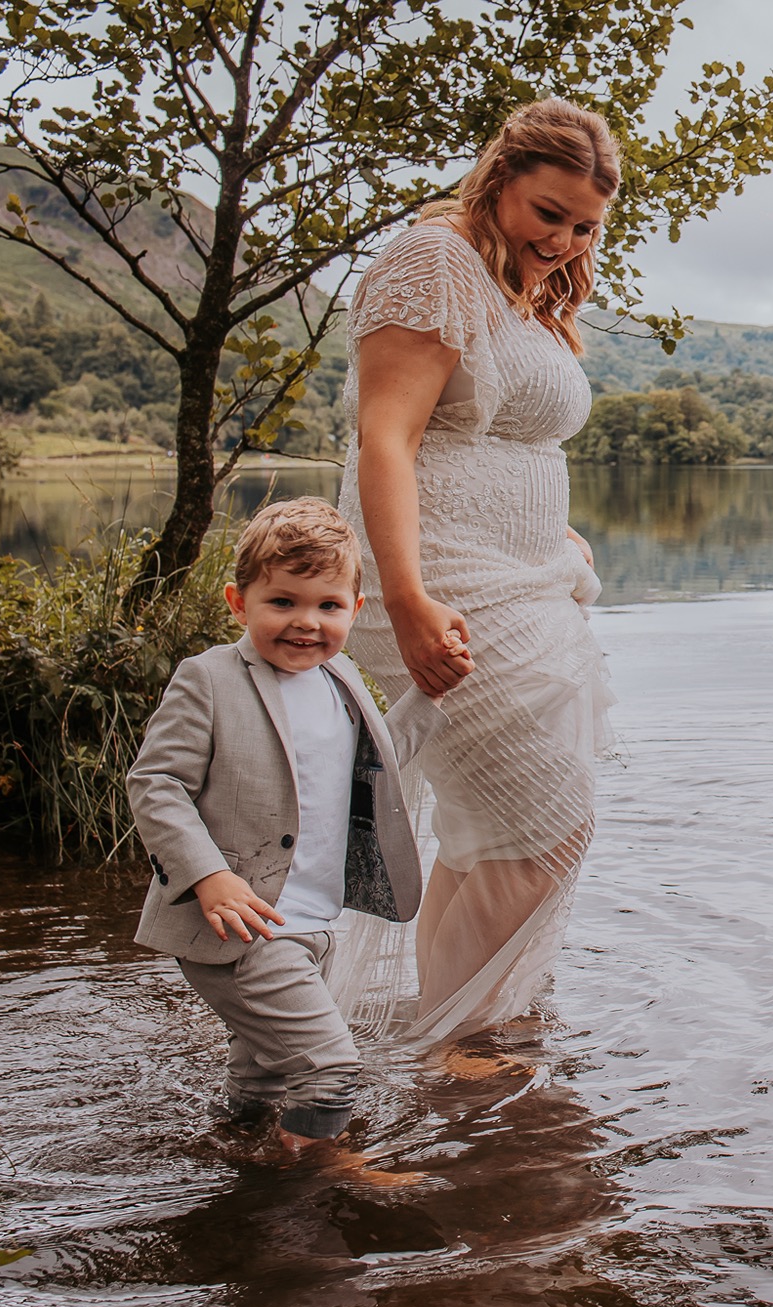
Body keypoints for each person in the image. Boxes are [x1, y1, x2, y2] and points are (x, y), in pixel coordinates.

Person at [335, 97, 617, 1046]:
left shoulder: (520, 288)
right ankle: (452, 1046)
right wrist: (407, 598)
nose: (564, 239)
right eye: (549, 213)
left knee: (489, 833)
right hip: (440, 576)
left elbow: (497, 435)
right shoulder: (434, 261)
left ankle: (447, 1033)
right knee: (549, 831)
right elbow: (387, 436)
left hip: (521, 575)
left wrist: (556, 536)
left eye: (584, 226)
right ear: (499, 179)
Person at [127, 498, 422, 1154]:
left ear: (355, 610)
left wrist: (433, 692)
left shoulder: (340, 678)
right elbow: (155, 783)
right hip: (241, 928)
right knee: (330, 1070)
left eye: (327, 606)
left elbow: (380, 763)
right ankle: (313, 1178)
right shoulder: (208, 680)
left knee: (262, 1074)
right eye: (282, 602)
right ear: (238, 601)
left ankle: (238, 1155)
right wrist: (208, 876)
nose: (306, 623)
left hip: (314, 921)